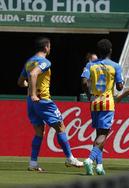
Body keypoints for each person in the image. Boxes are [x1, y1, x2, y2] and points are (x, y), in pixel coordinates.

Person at [17, 37, 83, 171]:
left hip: (31, 102)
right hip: (42, 100)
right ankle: (70, 158)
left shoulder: (29, 62)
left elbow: (20, 82)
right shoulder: (45, 62)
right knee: (61, 127)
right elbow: (35, 74)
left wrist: (30, 89)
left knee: (39, 132)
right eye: (50, 46)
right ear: (46, 47)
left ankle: (33, 163)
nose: (50, 48)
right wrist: (34, 93)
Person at [83, 39, 124, 175]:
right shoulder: (115, 66)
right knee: (103, 134)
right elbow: (119, 86)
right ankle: (90, 159)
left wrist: (89, 95)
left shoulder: (90, 65)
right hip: (107, 103)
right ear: (110, 51)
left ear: (98, 51)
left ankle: (99, 165)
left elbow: (84, 81)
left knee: (98, 134)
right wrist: (120, 83)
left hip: (94, 102)